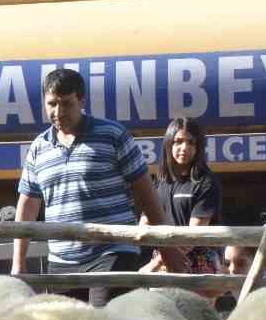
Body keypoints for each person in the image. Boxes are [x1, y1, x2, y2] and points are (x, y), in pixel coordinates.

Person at [11, 68, 185, 307]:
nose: (58, 112)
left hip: (112, 251)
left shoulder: (113, 135)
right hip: (62, 260)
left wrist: (168, 248)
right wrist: (18, 263)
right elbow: (28, 206)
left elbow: (146, 194)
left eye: (66, 104)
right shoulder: (39, 148)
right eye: (51, 104)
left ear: (81, 101)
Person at [142, 117, 223, 280]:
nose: (184, 147)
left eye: (191, 142)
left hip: (198, 264)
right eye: (178, 141)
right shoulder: (158, 183)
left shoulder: (206, 182)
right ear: (168, 144)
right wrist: (159, 260)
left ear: (199, 147)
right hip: (162, 260)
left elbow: (193, 235)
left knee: (193, 306)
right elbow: (144, 224)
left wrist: (156, 263)